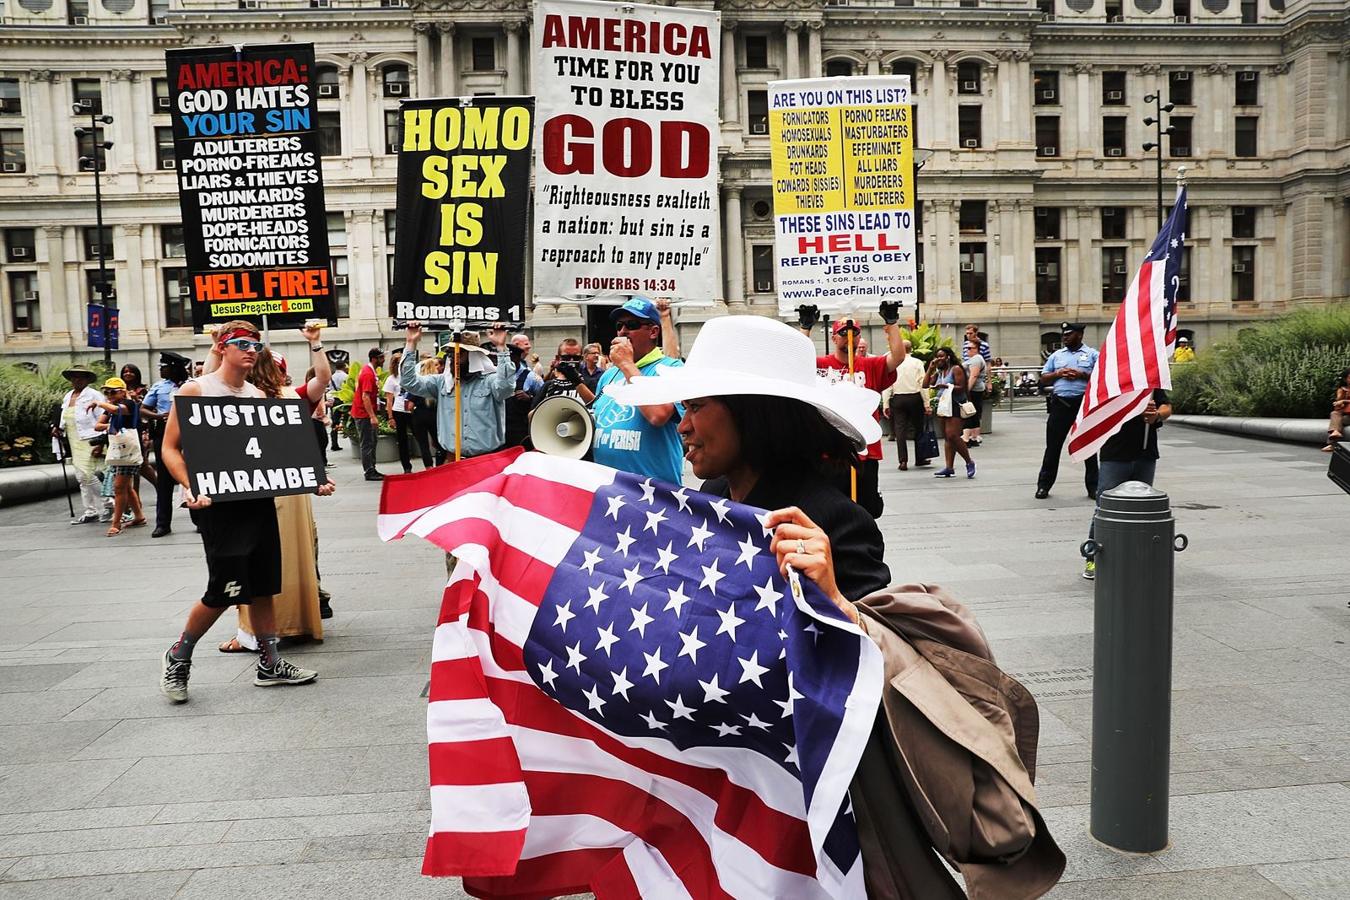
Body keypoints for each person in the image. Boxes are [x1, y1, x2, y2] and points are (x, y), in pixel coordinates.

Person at [607, 316, 1065, 898]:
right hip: (728, 778)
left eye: (697, 406)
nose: (683, 424)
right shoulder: (712, 501)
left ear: (752, 413)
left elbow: (887, 665)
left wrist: (834, 599)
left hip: (811, 797)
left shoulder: (833, 517)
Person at [158, 320, 334, 703]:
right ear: (222, 347)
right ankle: (179, 655)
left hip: (257, 500)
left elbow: (272, 453)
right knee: (224, 590)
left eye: (255, 345)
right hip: (218, 505)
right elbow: (169, 448)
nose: (251, 350)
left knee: (264, 585)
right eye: (241, 343)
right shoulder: (197, 389)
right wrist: (190, 485)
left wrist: (312, 479)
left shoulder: (256, 395)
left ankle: (270, 663)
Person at [212, 345, 328, 651]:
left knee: (256, 561)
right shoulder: (291, 398)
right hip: (292, 489)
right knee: (294, 555)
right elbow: (323, 378)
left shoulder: (241, 399)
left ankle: (251, 634)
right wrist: (315, 343)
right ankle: (297, 622)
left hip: (255, 486)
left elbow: (202, 397)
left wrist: (216, 351)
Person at [810, 309, 908, 516]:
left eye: (854, 333)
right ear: (833, 338)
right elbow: (797, 360)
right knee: (830, 508)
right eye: (843, 333)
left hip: (865, 451)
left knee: (866, 507)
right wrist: (806, 327)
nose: (849, 337)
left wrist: (891, 322)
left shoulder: (871, 365)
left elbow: (898, 357)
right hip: (832, 452)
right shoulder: (822, 365)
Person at [590, 297, 686, 485]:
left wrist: (627, 364)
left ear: (653, 332)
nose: (623, 331)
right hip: (609, 490)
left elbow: (658, 415)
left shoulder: (671, 368)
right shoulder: (609, 375)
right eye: (619, 326)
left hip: (653, 493)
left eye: (632, 325)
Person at [1083, 389, 1172, 579]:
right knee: (1104, 507)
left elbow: (1166, 407)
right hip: (1115, 454)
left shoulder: (1149, 384)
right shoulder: (1112, 382)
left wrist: (1156, 414)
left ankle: (1137, 557)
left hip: (1145, 453)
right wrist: (1135, 409)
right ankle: (1093, 556)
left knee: (1142, 508)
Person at [400, 324, 514, 459]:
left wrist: (501, 348)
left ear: (474, 355)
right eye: (451, 353)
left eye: (460, 353)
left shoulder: (489, 382)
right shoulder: (442, 383)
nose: (454, 358)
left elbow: (506, 387)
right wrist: (411, 343)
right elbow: (409, 382)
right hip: (453, 459)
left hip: (485, 460)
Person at [1036, 322, 1100, 500]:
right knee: (1053, 447)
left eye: (1068, 334)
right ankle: (1043, 485)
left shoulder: (1092, 354)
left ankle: (1093, 487)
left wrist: (1081, 375)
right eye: (1063, 334)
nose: (1064, 337)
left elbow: (1102, 377)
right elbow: (1044, 378)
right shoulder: (1056, 356)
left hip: (1083, 405)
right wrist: (1058, 374)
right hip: (1060, 405)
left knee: (1089, 447)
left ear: (1079, 335)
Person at [140, 351, 192, 537]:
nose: (161, 370)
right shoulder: (159, 387)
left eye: (164, 367)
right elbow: (143, 409)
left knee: (193, 476)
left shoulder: (192, 385)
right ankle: (162, 524)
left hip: (190, 433)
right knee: (164, 480)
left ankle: (199, 520)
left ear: (174, 368)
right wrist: (158, 416)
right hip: (165, 433)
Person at [90, 376, 147, 536]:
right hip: (118, 450)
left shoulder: (128, 403)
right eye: (107, 392)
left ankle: (116, 523)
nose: (109, 395)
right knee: (126, 487)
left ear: (122, 392)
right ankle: (139, 516)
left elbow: (118, 411)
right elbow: (97, 426)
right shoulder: (111, 407)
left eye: (113, 392)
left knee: (119, 487)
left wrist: (100, 404)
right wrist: (111, 424)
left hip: (127, 450)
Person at [56, 365, 111, 525]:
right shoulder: (68, 396)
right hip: (74, 441)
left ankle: (109, 503)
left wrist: (101, 442)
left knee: (88, 475)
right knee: (81, 476)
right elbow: (64, 419)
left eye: (81, 377)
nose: (77, 380)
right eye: (74, 377)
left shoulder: (94, 395)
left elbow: (104, 418)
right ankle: (90, 510)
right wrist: (58, 429)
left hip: (91, 440)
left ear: (87, 379)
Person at [924, 347, 977, 479]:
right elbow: (925, 385)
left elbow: (962, 387)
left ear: (948, 357)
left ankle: (969, 461)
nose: (939, 359)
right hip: (943, 406)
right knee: (947, 438)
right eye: (937, 356)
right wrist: (930, 368)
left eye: (942, 356)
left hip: (954, 405)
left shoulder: (956, 369)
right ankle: (949, 467)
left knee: (953, 435)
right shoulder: (939, 372)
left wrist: (946, 386)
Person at [882, 340, 929, 470]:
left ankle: (903, 460)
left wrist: (885, 403)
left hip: (898, 398)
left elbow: (888, 385)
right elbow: (922, 383)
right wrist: (927, 403)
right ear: (911, 349)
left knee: (900, 430)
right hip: (914, 397)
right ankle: (920, 458)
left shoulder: (893, 363)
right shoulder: (917, 363)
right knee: (918, 428)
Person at [496, 327, 544, 448]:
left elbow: (544, 401)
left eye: (511, 359)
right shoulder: (497, 376)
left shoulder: (532, 377)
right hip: (500, 430)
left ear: (518, 358)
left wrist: (529, 398)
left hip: (521, 431)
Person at [351, 347, 386, 481]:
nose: (383, 360)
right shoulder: (368, 374)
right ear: (374, 359)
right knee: (367, 443)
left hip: (364, 413)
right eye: (381, 357)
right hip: (363, 414)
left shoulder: (369, 371)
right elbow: (365, 396)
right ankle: (369, 471)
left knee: (371, 441)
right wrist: (372, 416)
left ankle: (372, 469)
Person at [382, 349, 417, 474]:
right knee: (402, 440)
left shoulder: (410, 376)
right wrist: (390, 417)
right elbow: (389, 400)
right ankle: (407, 467)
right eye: (398, 362)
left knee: (419, 435)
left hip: (411, 410)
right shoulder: (391, 379)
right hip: (399, 411)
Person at [536, 338, 598, 406]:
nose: (571, 361)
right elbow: (533, 412)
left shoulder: (589, 382)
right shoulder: (549, 386)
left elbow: (596, 406)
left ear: (581, 358)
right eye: (566, 357)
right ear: (558, 358)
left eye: (576, 358)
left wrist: (577, 381)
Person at [408, 356, 443, 467]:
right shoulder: (438, 383)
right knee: (438, 442)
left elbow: (409, 406)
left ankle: (428, 467)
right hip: (435, 415)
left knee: (423, 445)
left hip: (419, 415)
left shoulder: (418, 384)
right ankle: (440, 465)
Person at [961, 339, 988, 446]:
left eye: (970, 348)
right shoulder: (975, 359)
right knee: (974, 413)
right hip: (976, 389)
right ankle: (974, 437)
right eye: (966, 348)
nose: (967, 350)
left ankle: (967, 438)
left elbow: (974, 375)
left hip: (973, 389)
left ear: (976, 349)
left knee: (969, 413)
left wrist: (967, 390)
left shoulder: (976, 359)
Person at [326, 352, 350, 452]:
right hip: (344, 400)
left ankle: (334, 443)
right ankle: (349, 434)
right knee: (347, 419)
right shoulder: (346, 377)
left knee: (335, 422)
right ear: (344, 366)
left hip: (335, 400)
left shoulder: (331, 377)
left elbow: (330, 388)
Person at [1322, 368, 1349, 452]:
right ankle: (1336, 432)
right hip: (1347, 415)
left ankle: (1332, 444)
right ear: (1345, 379)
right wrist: (1340, 399)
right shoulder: (1342, 389)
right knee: (1334, 414)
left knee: (1337, 420)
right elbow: (1338, 406)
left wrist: (1344, 401)